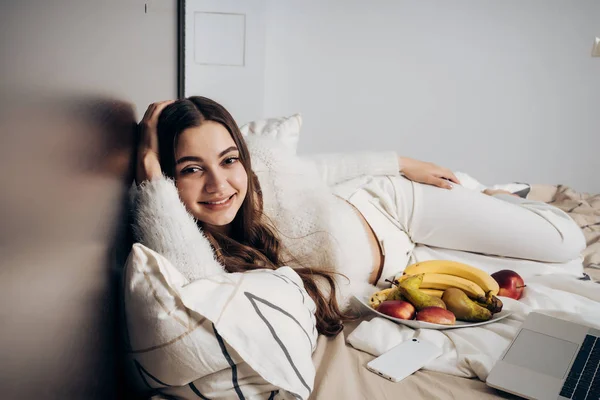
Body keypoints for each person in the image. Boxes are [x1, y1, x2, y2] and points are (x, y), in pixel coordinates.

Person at [133, 96, 586, 337]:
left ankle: (501, 195)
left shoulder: (263, 171)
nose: (219, 184)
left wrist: (400, 162)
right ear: (168, 183)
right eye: (191, 169)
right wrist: (152, 176)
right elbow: (194, 284)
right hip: (404, 265)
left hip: (393, 207)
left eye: (229, 160)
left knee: (566, 243)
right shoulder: (198, 250)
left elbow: (324, 169)